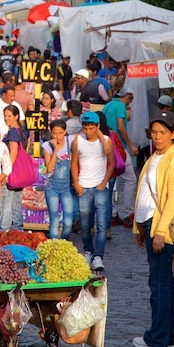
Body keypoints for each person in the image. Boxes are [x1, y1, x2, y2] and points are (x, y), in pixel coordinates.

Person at [132, 110, 174, 347]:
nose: (157, 136)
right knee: (165, 283)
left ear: (173, 133)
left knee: (159, 284)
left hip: (160, 225)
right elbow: (144, 192)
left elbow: (173, 198)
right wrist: (139, 228)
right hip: (150, 223)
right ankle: (173, 336)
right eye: (154, 132)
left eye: (162, 132)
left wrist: (160, 231)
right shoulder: (155, 156)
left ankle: (157, 337)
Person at [71, 111, 115, 272]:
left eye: (91, 128)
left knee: (101, 225)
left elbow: (111, 162)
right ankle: (88, 251)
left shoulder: (106, 141)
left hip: (100, 187)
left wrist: (103, 183)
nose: (88, 132)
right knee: (84, 224)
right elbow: (74, 163)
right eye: (85, 128)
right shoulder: (77, 141)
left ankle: (98, 256)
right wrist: (76, 183)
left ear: (97, 127)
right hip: (84, 185)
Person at [102, 89, 137, 227]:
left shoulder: (108, 105)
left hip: (107, 146)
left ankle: (112, 213)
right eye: (130, 98)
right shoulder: (121, 106)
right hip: (119, 147)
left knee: (111, 181)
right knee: (130, 179)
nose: (130, 102)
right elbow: (121, 127)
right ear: (126, 96)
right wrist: (131, 145)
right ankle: (128, 213)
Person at [42, 120, 75, 240]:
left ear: (65, 132)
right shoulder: (47, 146)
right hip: (51, 187)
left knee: (68, 221)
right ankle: (54, 245)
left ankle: (64, 242)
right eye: (55, 133)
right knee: (54, 219)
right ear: (51, 132)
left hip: (67, 187)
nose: (58, 136)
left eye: (60, 133)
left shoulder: (70, 140)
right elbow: (49, 169)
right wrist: (55, 150)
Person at [0, 105, 28, 231]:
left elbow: (13, 153)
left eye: (9, 116)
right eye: (5, 116)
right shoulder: (18, 131)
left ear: (16, 116)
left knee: (6, 202)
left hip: (12, 172)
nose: (6, 118)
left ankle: (4, 229)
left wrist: (6, 173)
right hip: (19, 173)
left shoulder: (12, 132)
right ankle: (18, 229)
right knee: (16, 202)